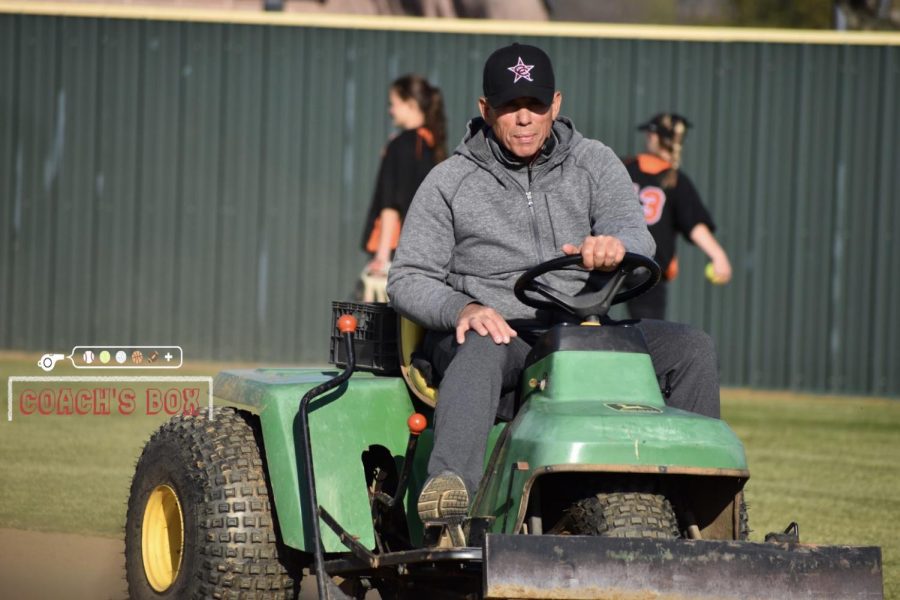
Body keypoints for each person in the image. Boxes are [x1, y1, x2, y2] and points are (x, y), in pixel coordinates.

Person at [386, 43, 721, 522]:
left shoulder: (595, 162)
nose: (524, 119)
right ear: (486, 109)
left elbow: (638, 237)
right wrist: (463, 309)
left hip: (581, 329)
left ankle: (696, 501)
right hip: (498, 334)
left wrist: (614, 249)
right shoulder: (449, 181)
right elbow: (407, 277)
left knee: (692, 347)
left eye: (535, 106)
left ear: (556, 105)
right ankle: (450, 491)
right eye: (509, 107)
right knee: (480, 343)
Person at [622, 114, 732, 320]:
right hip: (648, 268)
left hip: (613, 257)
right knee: (649, 333)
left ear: (654, 137)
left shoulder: (624, 168)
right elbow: (695, 226)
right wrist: (718, 255)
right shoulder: (676, 180)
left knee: (591, 323)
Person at [359, 74, 447, 302]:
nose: (390, 110)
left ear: (410, 104)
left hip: (396, 251)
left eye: (393, 104)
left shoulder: (400, 145)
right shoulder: (432, 145)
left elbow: (391, 205)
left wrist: (382, 256)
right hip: (425, 250)